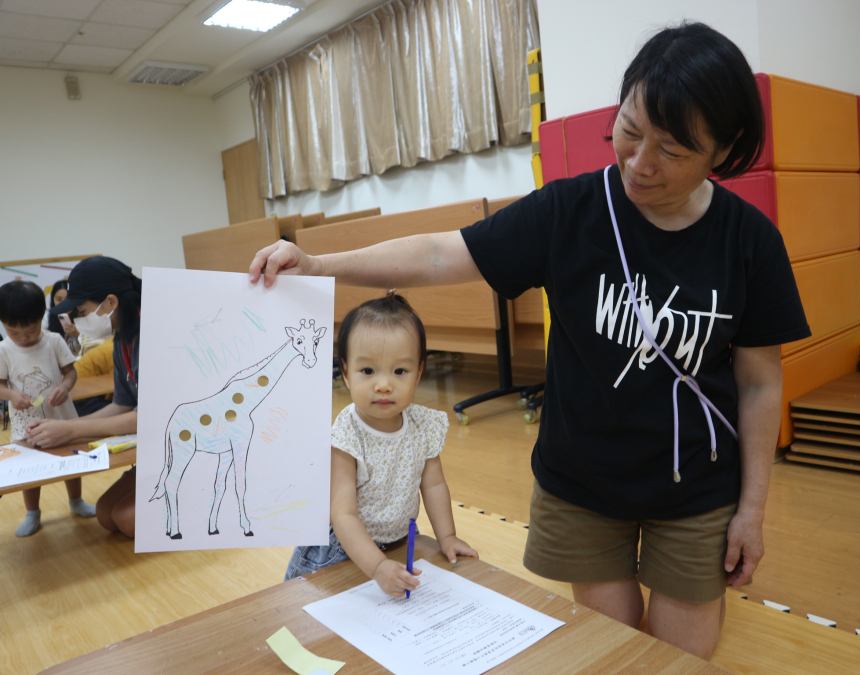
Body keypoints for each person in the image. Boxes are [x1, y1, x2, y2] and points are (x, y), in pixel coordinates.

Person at [251, 23, 811, 658]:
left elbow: (761, 382)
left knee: (680, 662)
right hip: (584, 484)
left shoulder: (750, 241)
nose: (639, 161)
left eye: (674, 149)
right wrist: (320, 264)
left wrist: (752, 511)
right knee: (619, 655)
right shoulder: (569, 211)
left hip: (697, 489)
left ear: (723, 148)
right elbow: (440, 254)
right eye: (629, 130)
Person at [285, 293, 478, 596]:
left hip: (399, 544)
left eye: (400, 371)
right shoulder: (346, 434)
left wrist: (448, 536)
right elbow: (343, 514)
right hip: (341, 550)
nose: (384, 384)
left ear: (419, 373)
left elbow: (434, 486)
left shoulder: (422, 425)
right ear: (346, 373)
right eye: (368, 371)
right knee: (315, 618)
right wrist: (376, 566)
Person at [27, 257, 142, 538]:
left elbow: (148, 417)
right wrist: (66, 429)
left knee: (127, 521)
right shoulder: (123, 339)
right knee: (106, 515)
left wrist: (71, 429)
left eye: (82, 310)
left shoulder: (155, 335)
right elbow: (122, 404)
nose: (77, 319)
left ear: (111, 302)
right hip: (155, 443)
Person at [0, 280, 96, 536]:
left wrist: (64, 388)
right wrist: (11, 394)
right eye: (13, 331)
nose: (23, 338)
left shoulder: (53, 341)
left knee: (71, 458)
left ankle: (76, 501)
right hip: (26, 421)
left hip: (60, 415)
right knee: (27, 467)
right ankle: (32, 513)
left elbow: (70, 373)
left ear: (41, 318)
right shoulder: (4, 349)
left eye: (30, 330)